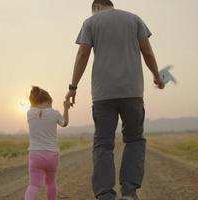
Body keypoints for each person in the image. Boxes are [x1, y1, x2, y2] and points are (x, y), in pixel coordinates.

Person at [65, 0, 165, 199]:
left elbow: (83, 53)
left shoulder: (90, 23)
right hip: (133, 92)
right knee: (134, 139)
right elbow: (147, 52)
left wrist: (73, 87)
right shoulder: (134, 19)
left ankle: (105, 195)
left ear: (96, 7)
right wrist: (157, 75)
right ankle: (129, 192)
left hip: (103, 95)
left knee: (103, 144)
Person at [25, 86, 71, 200]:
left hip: (35, 155)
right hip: (52, 155)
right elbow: (64, 123)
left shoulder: (29, 113)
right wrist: (66, 108)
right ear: (48, 101)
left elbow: (35, 107)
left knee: (34, 185)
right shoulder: (54, 113)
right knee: (51, 183)